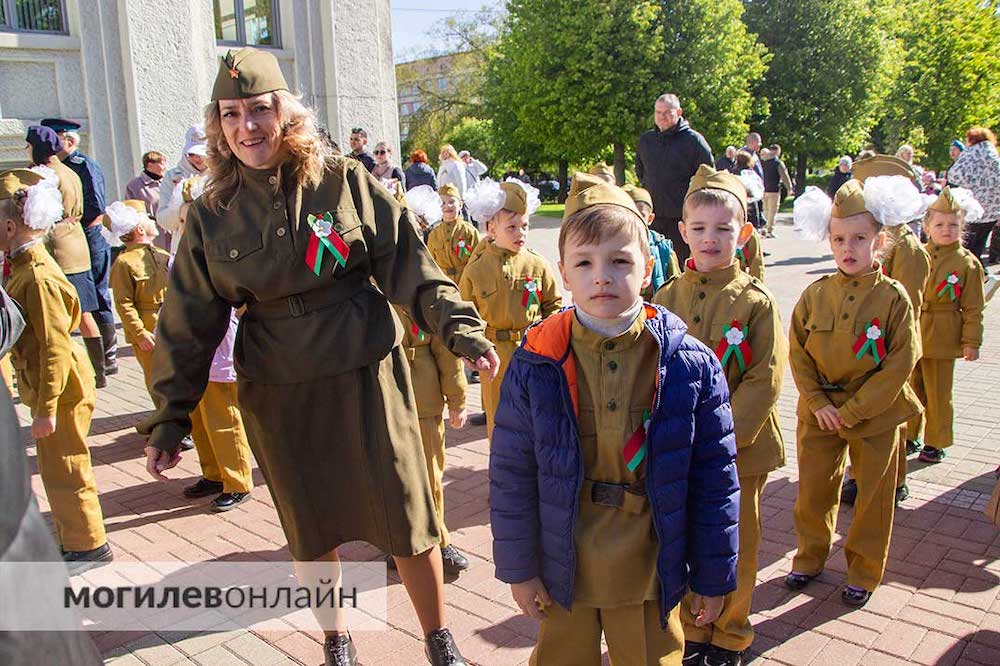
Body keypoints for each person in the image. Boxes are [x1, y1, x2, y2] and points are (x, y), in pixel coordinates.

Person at [137, 47, 498, 665]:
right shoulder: (211, 213)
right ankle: (337, 640)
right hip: (279, 386)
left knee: (406, 508)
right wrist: (170, 418)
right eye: (230, 115)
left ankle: (441, 642)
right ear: (218, 126)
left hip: (366, 371)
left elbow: (410, 265)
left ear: (286, 112)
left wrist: (460, 329)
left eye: (259, 109)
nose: (247, 126)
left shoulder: (343, 181)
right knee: (309, 522)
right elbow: (188, 321)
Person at [490, 172, 740, 665]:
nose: (601, 276)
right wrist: (520, 569)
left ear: (647, 268)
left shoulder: (689, 363)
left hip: (649, 562)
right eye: (584, 262)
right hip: (564, 561)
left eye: (620, 261)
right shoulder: (536, 360)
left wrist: (713, 576)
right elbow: (511, 473)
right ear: (564, 273)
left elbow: (716, 479)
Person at [653, 164, 786, 666]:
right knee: (687, 537)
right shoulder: (666, 297)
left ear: (744, 233)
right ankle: (692, 628)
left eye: (723, 228)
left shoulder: (755, 302)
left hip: (738, 452)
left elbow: (765, 378)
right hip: (681, 446)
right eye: (700, 228)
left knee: (735, 542)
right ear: (682, 232)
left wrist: (723, 438)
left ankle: (730, 633)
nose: (710, 238)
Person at [786, 178, 922, 608]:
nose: (848, 248)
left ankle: (863, 571)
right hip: (820, 415)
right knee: (813, 492)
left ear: (879, 241)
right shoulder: (815, 294)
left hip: (875, 416)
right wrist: (819, 402)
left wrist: (854, 410)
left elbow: (901, 362)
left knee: (873, 500)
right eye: (839, 239)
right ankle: (809, 558)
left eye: (860, 238)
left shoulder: (894, 298)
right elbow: (798, 352)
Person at [0, 168, 112, 571]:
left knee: (67, 467)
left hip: (61, 387)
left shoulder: (37, 276)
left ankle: (89, 545)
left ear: (10, 227)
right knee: (56, 466)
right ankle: (74, 539)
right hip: (53, 384)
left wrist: (46, 408)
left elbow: (53, 347)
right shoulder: (24, 265)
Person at [838, 156, 929, 508]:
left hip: (887, 348)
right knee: (863, 417)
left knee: (889, 416)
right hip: (861, 350)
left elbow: (909, 306)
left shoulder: (906, 247)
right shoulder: (868, 237)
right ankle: (860, 475)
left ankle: (895, 480)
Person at [460, 178, 560, 439]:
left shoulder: (537, 265)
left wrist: (548, 341)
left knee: (534, 416)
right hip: (494, 356)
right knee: (499, 420)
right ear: (491, 228)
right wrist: (472, 349)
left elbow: (553, 305)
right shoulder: (476, 269)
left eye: (524, 226)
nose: (520, 233)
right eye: (512, 227)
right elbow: (465, 316)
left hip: (532, 352)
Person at [23, 126, 105, 386]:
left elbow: (35, 216)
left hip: (57, 247)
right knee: (85, 311)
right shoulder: (69, 170)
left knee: (60, 313)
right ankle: (100, 371)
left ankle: (70, 371)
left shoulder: (43, 175)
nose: (26, 150)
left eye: (28, 146)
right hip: (76, 242)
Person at [910, 187, 985, 464]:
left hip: (943, 334)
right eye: (939, 224)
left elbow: (974, 307)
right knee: (912, 387)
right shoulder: (917, 255)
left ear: (962, 227)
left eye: (953, 225)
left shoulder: (967, 263)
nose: (946, 230)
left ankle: (936, 441)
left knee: (939, 392)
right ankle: (909, 434)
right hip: (916, 331)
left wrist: (971, 342)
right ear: (927, 227)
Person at [40, 118, 118, 380]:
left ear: (69, 140)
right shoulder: (60, 167)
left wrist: (72, 226)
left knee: (97, 294)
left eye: (56, 138)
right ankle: (101, 359)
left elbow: (95, 206)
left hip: (89, 235)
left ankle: (108, 357)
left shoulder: (82, 166)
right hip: (75, 236)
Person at [635, 93, 713, 266]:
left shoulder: (694, 141)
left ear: (679, 112)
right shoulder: (646, 141)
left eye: (667, 112)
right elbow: (641, 173)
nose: (661, 117)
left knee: (680, 265)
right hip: (652, 217)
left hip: (681, 218)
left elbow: (707, 179)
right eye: (658, 112)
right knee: (653, 264)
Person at [106, 200, 169, 393]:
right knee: (159, 382)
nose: (154, 222)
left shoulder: (162, 254)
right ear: (140, 229)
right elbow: (123, 303)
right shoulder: (124, 263)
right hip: (149, 328)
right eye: (149, 219)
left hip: (172, 322)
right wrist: (139, 333)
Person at [946, 127, 1000, 267]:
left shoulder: (972, 153)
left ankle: (966, 272)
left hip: (972, 209)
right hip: (991, 211)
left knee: (965, 246)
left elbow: (955, 175)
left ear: (972, 139)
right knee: (979, 245)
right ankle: (977, 270)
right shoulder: (993, 154)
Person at [158, 125, 209, 256]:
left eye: (202, 154)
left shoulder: (223, 175)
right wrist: (180, 204)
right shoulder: (172, 176)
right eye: (192, 154)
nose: (197, 159)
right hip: (185, 247)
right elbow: (163, 220)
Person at [622, 184, 678, 298]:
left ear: (650, 218)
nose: (635, 220)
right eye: (629, 214)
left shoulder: (662, 248)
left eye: (640, 215)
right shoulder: (612, 247)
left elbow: (676, 286)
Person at [427, 184, 480, 285]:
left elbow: (478, 259)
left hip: (465, 281)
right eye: (442, 203)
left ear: (460, 205)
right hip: (443, 282)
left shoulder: (469, 232)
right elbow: (430, 263)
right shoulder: (434, 235)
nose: (448, 206)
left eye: (452, 202)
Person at [761, 144, 795, 238]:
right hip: (774, 190)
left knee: (765, 210)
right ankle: (769, 230)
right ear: (777, 152)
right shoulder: (777, 162)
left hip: (763, 189)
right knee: (772, 211)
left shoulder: (762, 161)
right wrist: (789, 188)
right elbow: (784, 176)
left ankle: (764, 228)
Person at [125, 151, 167, 218]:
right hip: (150, 223)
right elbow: (131, 211)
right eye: (162, 164)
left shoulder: (168, 181)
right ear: (150, 165)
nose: (165, 167)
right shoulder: (134, 186)